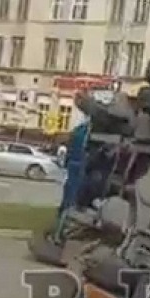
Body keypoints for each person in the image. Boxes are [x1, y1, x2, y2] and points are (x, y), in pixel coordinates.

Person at [52, 97, 92, 241]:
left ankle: (59, 230)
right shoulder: (87, 130)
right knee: (73, 201)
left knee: (68, 199)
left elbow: (71, 148)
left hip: (75, 167)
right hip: (81, 167)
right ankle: (62, 233)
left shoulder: (80, 129)